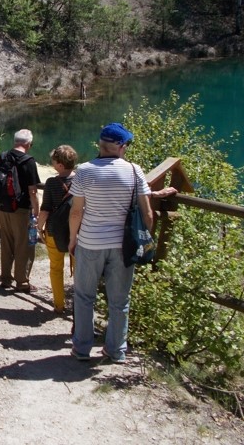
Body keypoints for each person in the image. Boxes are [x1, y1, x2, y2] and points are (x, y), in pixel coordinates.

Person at [68, 123, 175, 363]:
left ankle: (82, 348)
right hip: (123, 246)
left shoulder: (84, 170)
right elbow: (148, 214)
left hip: (90, 241)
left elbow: (76, 212)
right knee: (119, 300)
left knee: (84, 296)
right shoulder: (134, 171)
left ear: (101, 144)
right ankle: (116, 350)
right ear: (120, 146)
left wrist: (73, 240)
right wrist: (142, 242)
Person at [0, 129, 41, 293]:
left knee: (6, 242)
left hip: (3, 207)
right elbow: (33, 190)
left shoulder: (3, 156)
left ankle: (5, 278)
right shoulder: (28, 161)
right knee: (24, 246)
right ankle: (21, 281)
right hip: (21, 209)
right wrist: (36, 210)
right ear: (28, 144)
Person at [37, 145, 78, 313]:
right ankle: (79, 307)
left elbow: (45, 209)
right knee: (80, 270)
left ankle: (59, 305)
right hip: (78, 232)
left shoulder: (52, 183)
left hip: (54, 230)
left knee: (55, 268)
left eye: (53, 161)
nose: (52, 163)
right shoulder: (82, 180)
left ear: (60, 165)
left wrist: (39, 228)